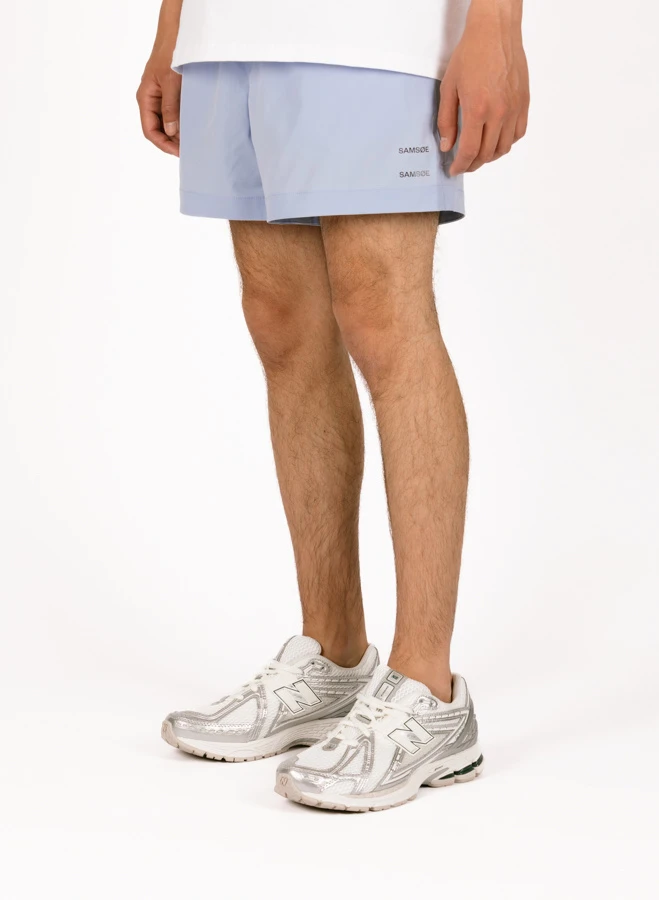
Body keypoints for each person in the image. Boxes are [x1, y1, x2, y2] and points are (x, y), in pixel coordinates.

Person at [138, 0, 529, 812]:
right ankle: (333, 658)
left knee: (386, 319)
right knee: (281, 323)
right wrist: (174, 28)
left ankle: (430, 690)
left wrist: (496, 25)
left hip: (378, 35)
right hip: (227, 34)